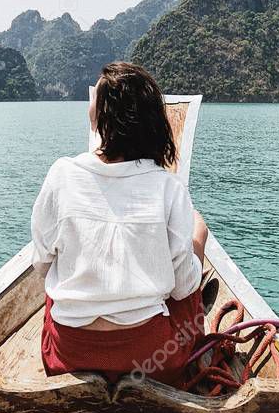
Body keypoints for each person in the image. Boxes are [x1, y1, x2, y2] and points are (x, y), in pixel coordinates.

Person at [31, 61, 208, 386]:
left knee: (54, 287)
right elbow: (184, 287)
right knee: (193, 254)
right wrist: (199, 240)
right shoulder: (168, 187)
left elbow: (41, 265)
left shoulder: (61, 174)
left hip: (67, 357)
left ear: (99, 117)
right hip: (150, 362)